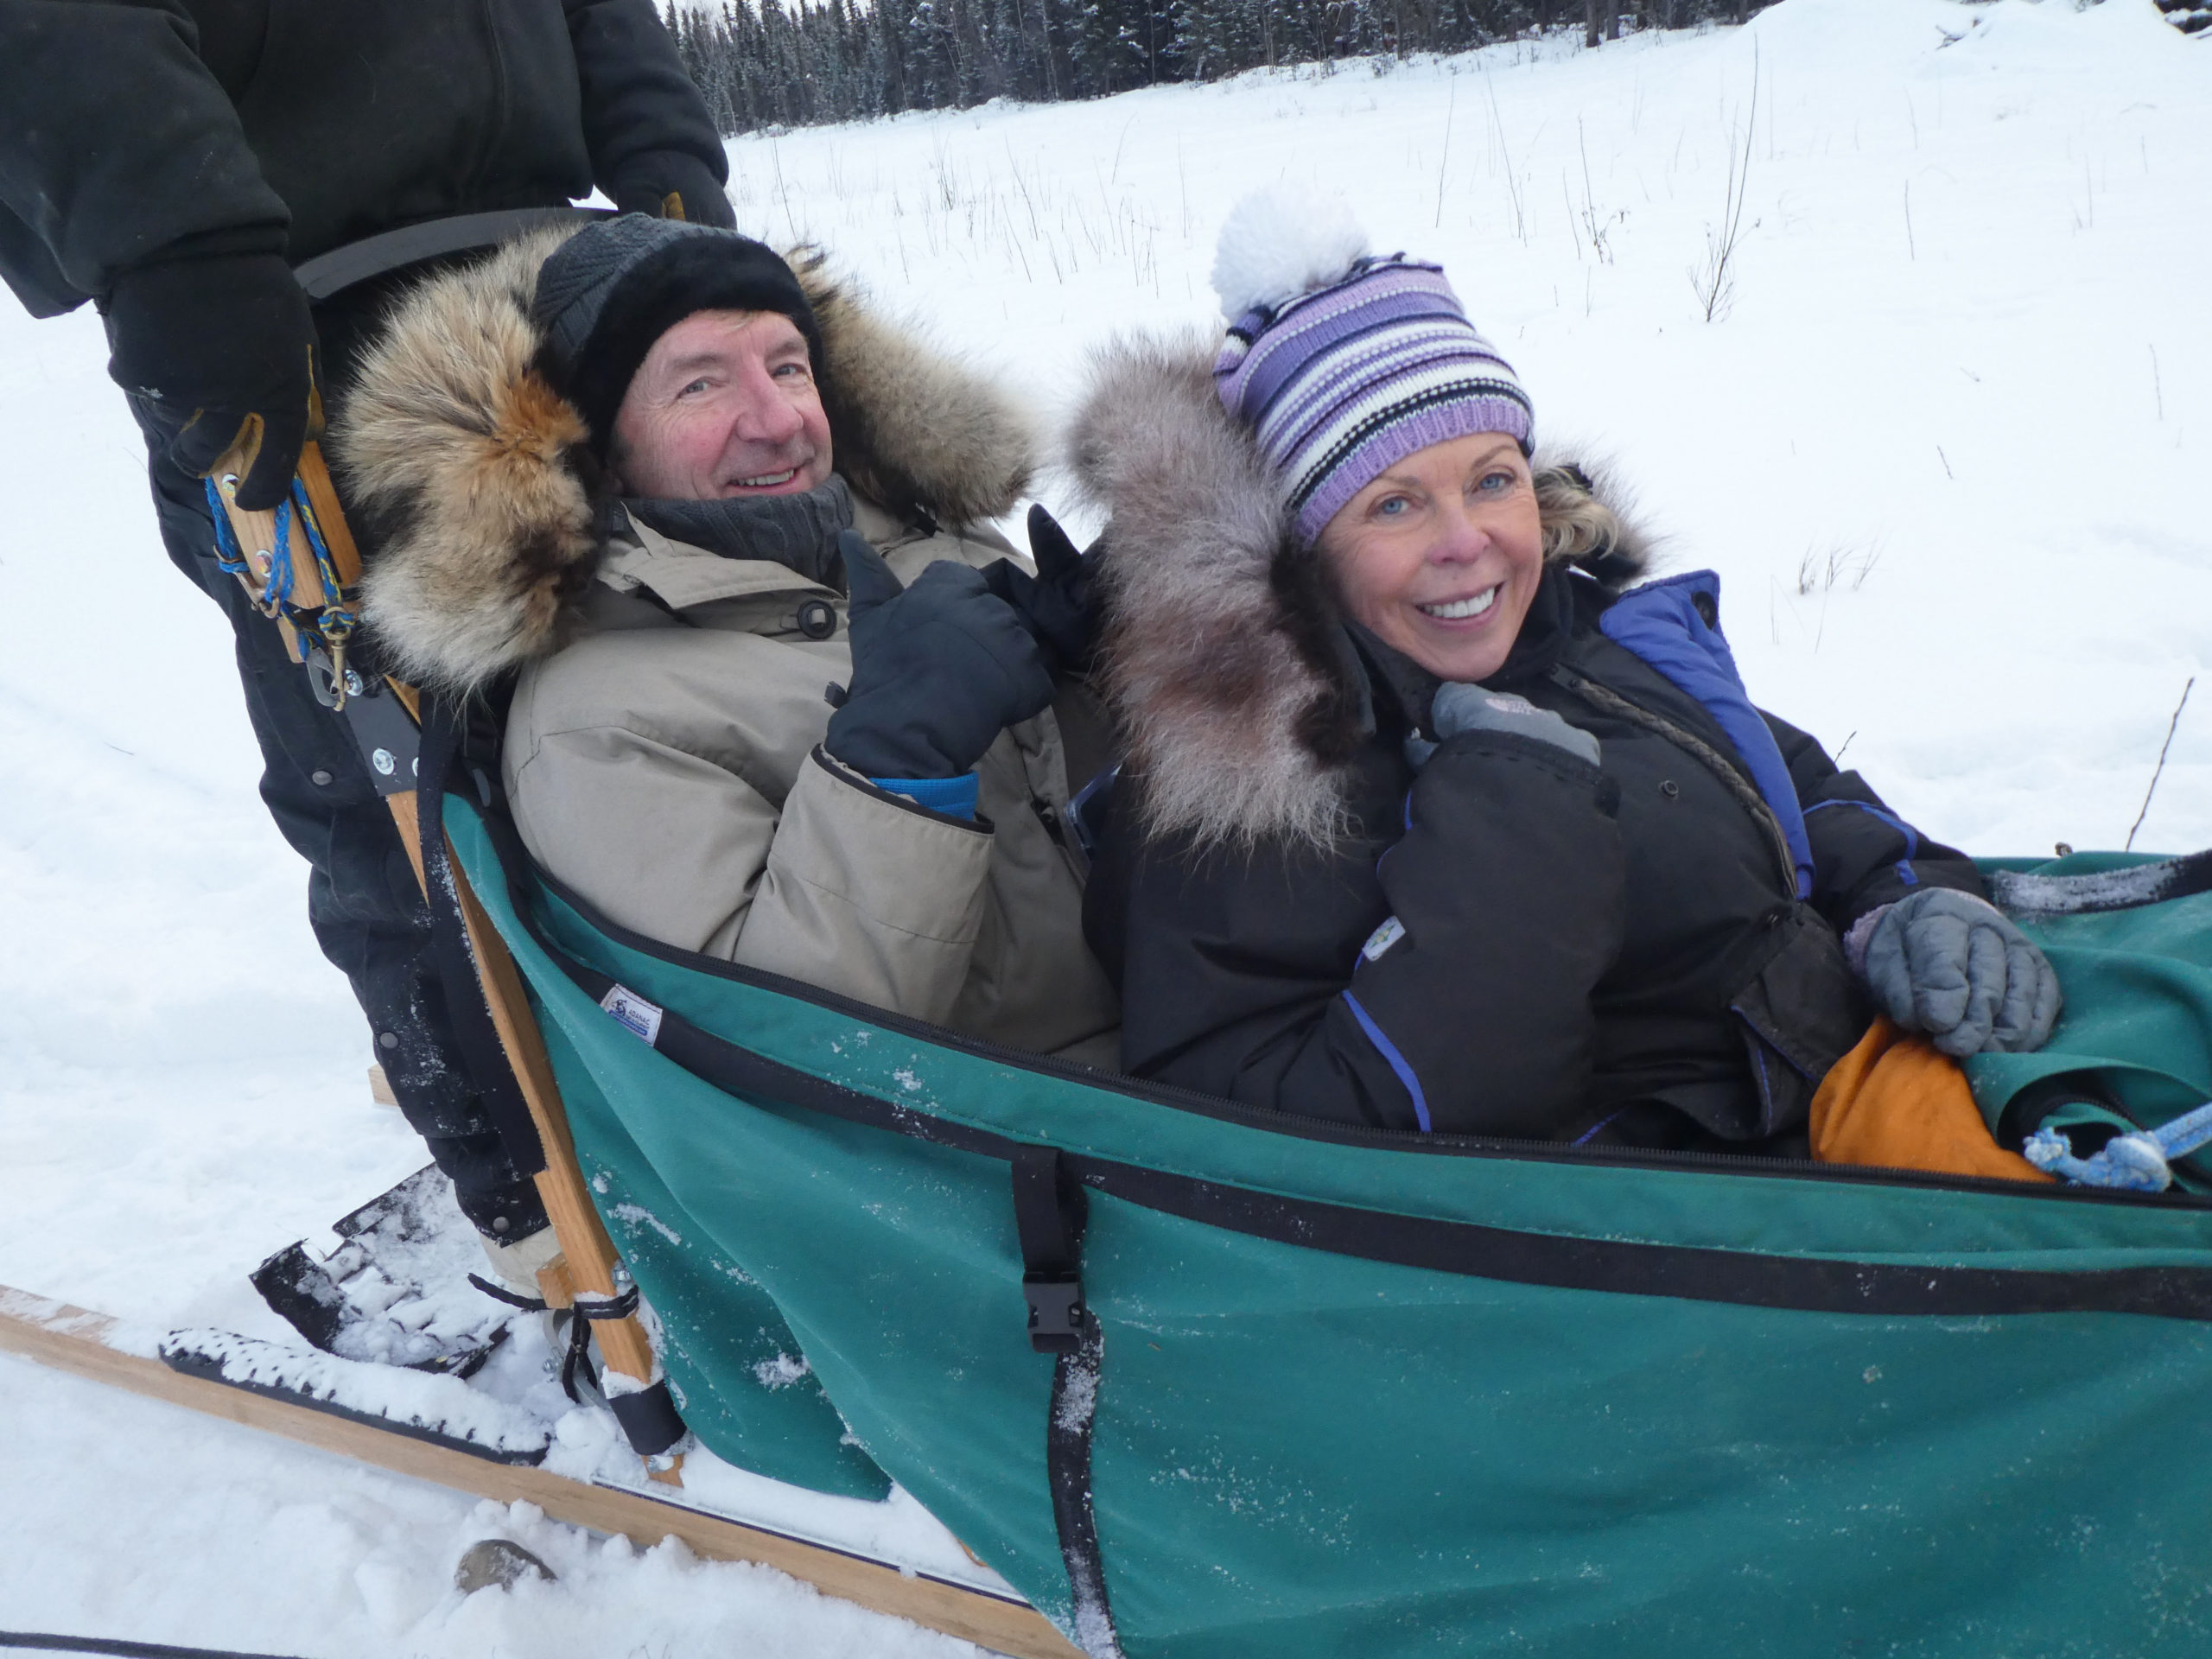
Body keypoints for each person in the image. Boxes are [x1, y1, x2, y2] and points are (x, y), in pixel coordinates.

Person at [1070, 189, 2059, 1156]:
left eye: (1492, 480)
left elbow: (1787, 787)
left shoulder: (1570, 628)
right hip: (1684, 1203)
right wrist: (1517, 826)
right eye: (1394, 505)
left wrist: (1905, 900)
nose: (1469, 542)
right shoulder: (1249, 786)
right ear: (1301, 550)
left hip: (1846, 1072)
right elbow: (1281, 1152)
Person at [0, 0, 736, 1271]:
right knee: (391, 777)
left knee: (667, 700)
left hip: (547, 269)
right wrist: (176, 237)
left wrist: (663, 151)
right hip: (280, 303)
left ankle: (695, 1115)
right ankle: (524, 1202)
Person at [332, 215, 1120, 1061]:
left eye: (788, 367)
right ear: (600, 451)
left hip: (1179, 1008)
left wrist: (1112, 669)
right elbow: (795, 1049)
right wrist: (898, 762)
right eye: (700, 385)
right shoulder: (596, 717)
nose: (777, 421)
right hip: (1033, 1114)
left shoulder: (933, 538)